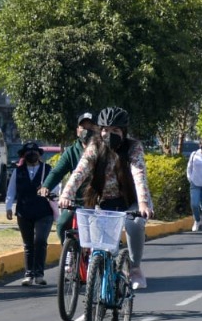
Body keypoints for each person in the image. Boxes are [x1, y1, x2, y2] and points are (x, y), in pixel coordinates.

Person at [57, 107, 154, 299]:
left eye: (115, 131)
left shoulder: (133, 147)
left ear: (124, 132)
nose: (108, 135)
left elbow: (139, 174)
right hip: (103, 202)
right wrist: (66, 193)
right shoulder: (94, 146)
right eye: (105, 130)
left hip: (131, 202)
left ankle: (134, 268)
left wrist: (143, 204)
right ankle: (95, 302)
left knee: (134, 225)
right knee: (99, 250)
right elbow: (80, 171)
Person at [40, 112, 96, 246]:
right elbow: (57, 172)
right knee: (62, 224)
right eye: (83, 128)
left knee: (99, 233)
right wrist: (46, 186)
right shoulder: (71, 152)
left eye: (90, 128)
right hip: (75, 201)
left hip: (96, 201)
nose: (86, 131)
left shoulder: (102, 150)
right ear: (77, 131)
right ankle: (70, 255)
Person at [6, 141, 55, 286]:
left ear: (39, 154)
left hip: (44, 212)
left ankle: (39, 274)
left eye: (34, 152)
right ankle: (29, 274)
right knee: (28, 244)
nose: (32, 155)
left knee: (40, 241)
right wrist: (8, 207)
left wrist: (52, 194)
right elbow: (11, 190)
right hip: (24, 212)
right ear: (23, 155)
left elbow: (56, 187)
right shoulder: (18, 171)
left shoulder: (48, 169)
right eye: (28, 153)